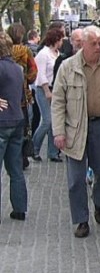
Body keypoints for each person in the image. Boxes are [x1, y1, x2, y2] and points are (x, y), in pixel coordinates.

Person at [51, 26, 100, 238]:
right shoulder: (68, 67)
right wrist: (58, 132)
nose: (98, 47)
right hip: (75, 127)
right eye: (94, 43)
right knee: (75, 179)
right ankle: (81, 220)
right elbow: (57, 102)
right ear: (83, 44)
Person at [0, 31, 28, 221]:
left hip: (2, 121)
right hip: (17, 120)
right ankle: (19, 208)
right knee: (15, 168)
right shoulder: (18, 69)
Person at [7, 24, 38, 170]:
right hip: (22, 96)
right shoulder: (26, 51)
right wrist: (25, 80)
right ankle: (22, 157)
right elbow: (33, 72)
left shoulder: (5, 52)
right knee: (24, 127)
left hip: (6, 95)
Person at [32, 28, 64, 162]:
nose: (62, 41)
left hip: (55, 89)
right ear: (56, 40)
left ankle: (53, 152)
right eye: (61, 39)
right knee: (46, 121)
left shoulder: (57, 54)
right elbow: (41, 74)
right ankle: (34, 148)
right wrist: (46, 91)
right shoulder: (43, 54)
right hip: (43, 89)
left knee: (54, 122)